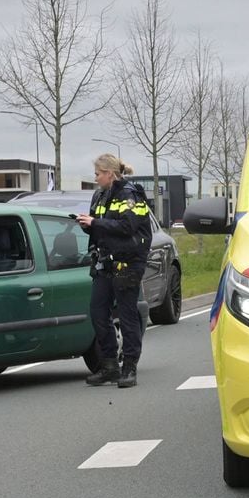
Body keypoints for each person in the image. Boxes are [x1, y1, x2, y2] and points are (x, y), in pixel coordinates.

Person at [76, 153, 152, 388]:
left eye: (98, 174)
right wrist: (88, 225)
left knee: (127, 315)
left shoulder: (130, 194)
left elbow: (128, 226)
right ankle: (109, 366)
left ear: (109, 173)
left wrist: (96, 223)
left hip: (128, 262)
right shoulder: (99, 194)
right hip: (105, 261)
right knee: (98, 312)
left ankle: (129, 368)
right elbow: (101, 227)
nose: (96, 178)